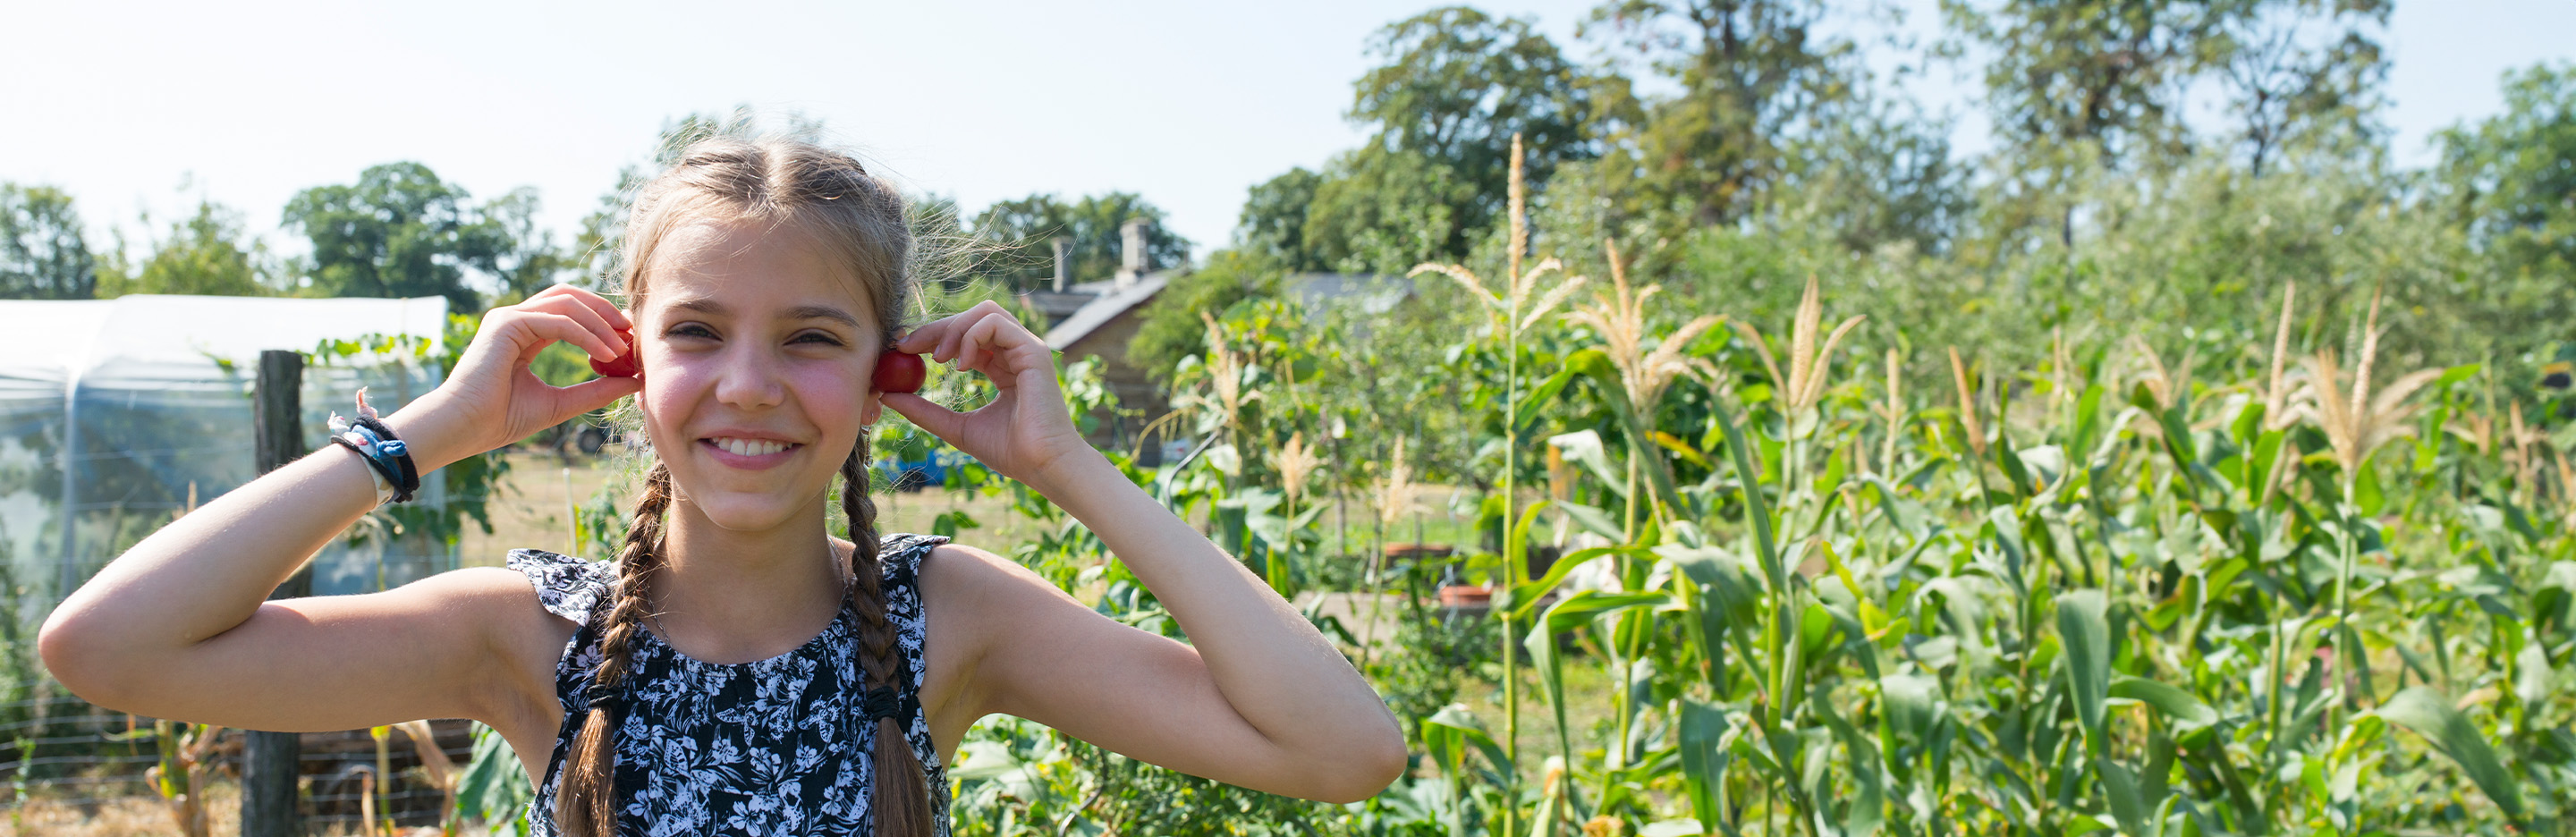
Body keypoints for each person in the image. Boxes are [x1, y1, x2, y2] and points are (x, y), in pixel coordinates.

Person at [39, 137, 1408, 836]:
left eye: (813, 338)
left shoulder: (950, 619)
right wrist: (427, 434)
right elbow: (107, 646)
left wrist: (1069, 466)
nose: (749, 383)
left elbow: (1342, 751)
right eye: (697, 332)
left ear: (886, 369)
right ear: (632, 358)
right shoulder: (531, 636)